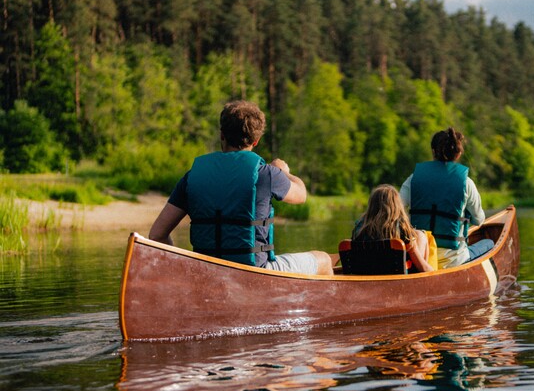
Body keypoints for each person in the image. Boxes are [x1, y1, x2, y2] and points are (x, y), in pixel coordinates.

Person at [148, 100, 333, 275]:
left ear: (222, 135)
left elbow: (157, 235)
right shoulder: (267, 174)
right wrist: (283, 172)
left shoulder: (192, 177)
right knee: (324, 260)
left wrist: (189, 273)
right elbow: (301, 195)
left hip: (205, 274)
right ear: (256, 141)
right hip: (255, 273)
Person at [399, 127, 493, 269]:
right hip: (454, 260)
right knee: (489, 243)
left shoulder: (413, 179)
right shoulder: (466, 183)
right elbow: (479, 220)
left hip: (422, 257)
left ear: (433, 151)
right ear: (458, 154)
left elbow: (396, 209)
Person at [352, 184, 434, 273]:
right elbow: (423, 268)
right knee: (421, 235)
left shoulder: (359, 230)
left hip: (365, 277)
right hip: (398, 281)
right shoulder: (402, 230)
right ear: (397, 206)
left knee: (419, 234)